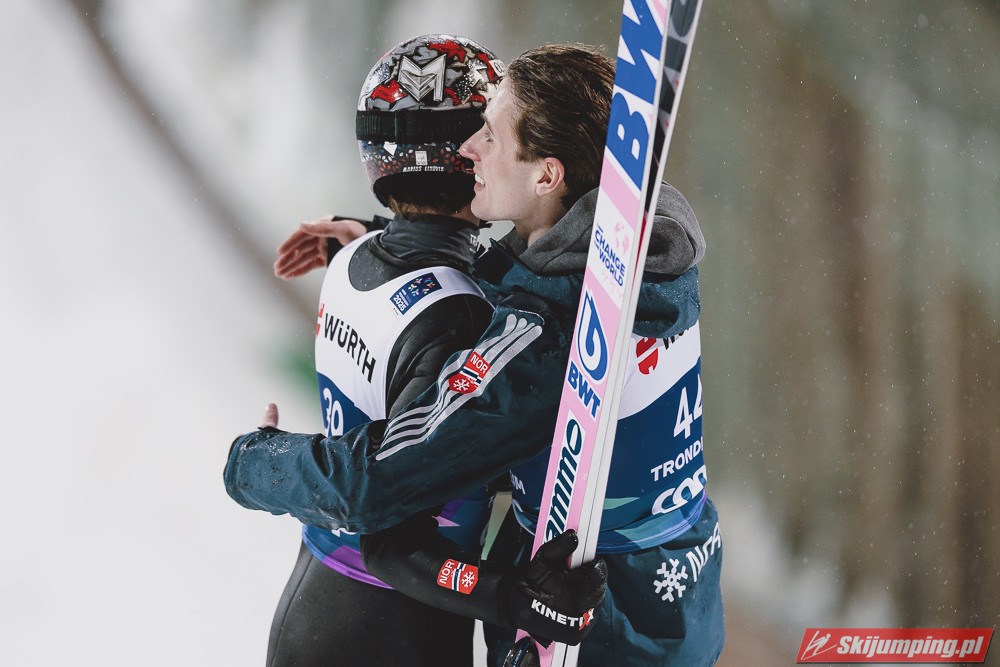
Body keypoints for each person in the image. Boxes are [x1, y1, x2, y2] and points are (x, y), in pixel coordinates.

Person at [227, 43, 724, 665]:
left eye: (489, 134)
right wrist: (395, 251)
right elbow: (531, 286)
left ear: (547, 175)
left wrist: (252, 464)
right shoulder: (651, 256)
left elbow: (374, 487)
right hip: (679, 590)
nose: (468, 151)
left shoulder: (534, 340)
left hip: (594, 625)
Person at [256, 34, 604, 667]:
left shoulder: (354, 256)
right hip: (399, 623)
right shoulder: (470, 314)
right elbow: (393, 538)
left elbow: (417, 276)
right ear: (462, 158)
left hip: (313, 599)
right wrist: (510, 596)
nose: (483, 149)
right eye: (485, 132)